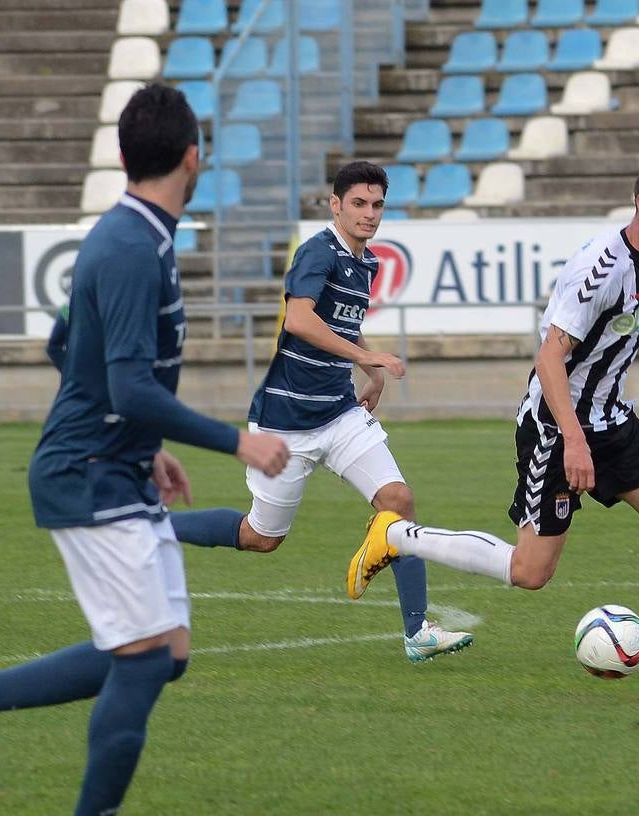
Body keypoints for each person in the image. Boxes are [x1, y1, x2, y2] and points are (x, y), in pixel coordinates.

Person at [0, 83, 290, 816]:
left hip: (111, 463)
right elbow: (124, 387)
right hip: (86, 475)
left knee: (165, 651)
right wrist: (234, 441)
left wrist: (142, 441)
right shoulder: (127, 247)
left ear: (125, 157)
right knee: (146, 657)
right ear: (194, 157)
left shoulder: (134, 238)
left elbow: (62, 346)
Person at [347, 155, 639, 703]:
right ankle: (397, 535)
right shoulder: (602, 265)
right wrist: (574, 440)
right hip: (556, 424)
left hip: (610, 417)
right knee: (530, 571)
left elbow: (606, 330)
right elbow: (550, 357)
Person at [167, 161, 473, 663]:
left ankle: (418, 632)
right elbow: (301, 319)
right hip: (284, 426)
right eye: (359, 203)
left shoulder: (365, 262)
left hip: (338, 413)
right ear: (336, 205)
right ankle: (158, 526)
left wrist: (368, 371)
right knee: (260, 538)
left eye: (377, 205)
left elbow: (343, 326)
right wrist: (367, 358)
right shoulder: (317, 252)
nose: (369, 214)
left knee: (398, 499)